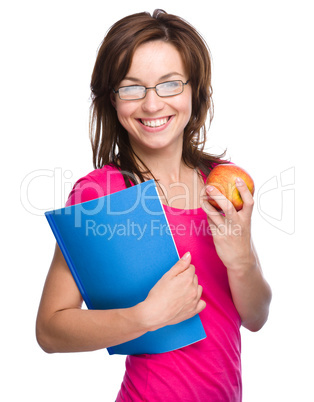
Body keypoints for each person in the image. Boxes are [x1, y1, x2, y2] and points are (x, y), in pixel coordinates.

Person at [36, 9, 272, 401]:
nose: (151, 104)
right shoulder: (102, 194)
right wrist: (145, 317)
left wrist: (241, 261)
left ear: (195, 91)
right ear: (112, 99)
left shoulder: (222, 181)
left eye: (169, 84)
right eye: (132, 87)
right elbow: (50, 329)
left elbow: (256, 317)